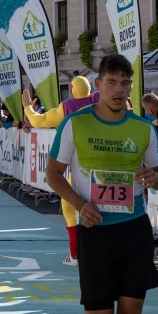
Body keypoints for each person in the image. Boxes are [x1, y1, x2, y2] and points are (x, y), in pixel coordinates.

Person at [46, 53, 158, 314]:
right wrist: (79, 204)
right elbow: (53, 173)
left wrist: (155, 178)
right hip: (95, 230)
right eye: (112, 82)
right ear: (98, 85)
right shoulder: (75, 124)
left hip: (134, 229)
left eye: (125, 83)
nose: (119, 89)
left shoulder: (143, 129)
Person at [23, 76, 100, 266]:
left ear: (73, 89)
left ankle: (76, 254)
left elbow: (40, 121)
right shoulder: (100, 99)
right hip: (105, 164)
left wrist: (28, 108)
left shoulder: (67, 107)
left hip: (79, 167)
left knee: (69, 209)